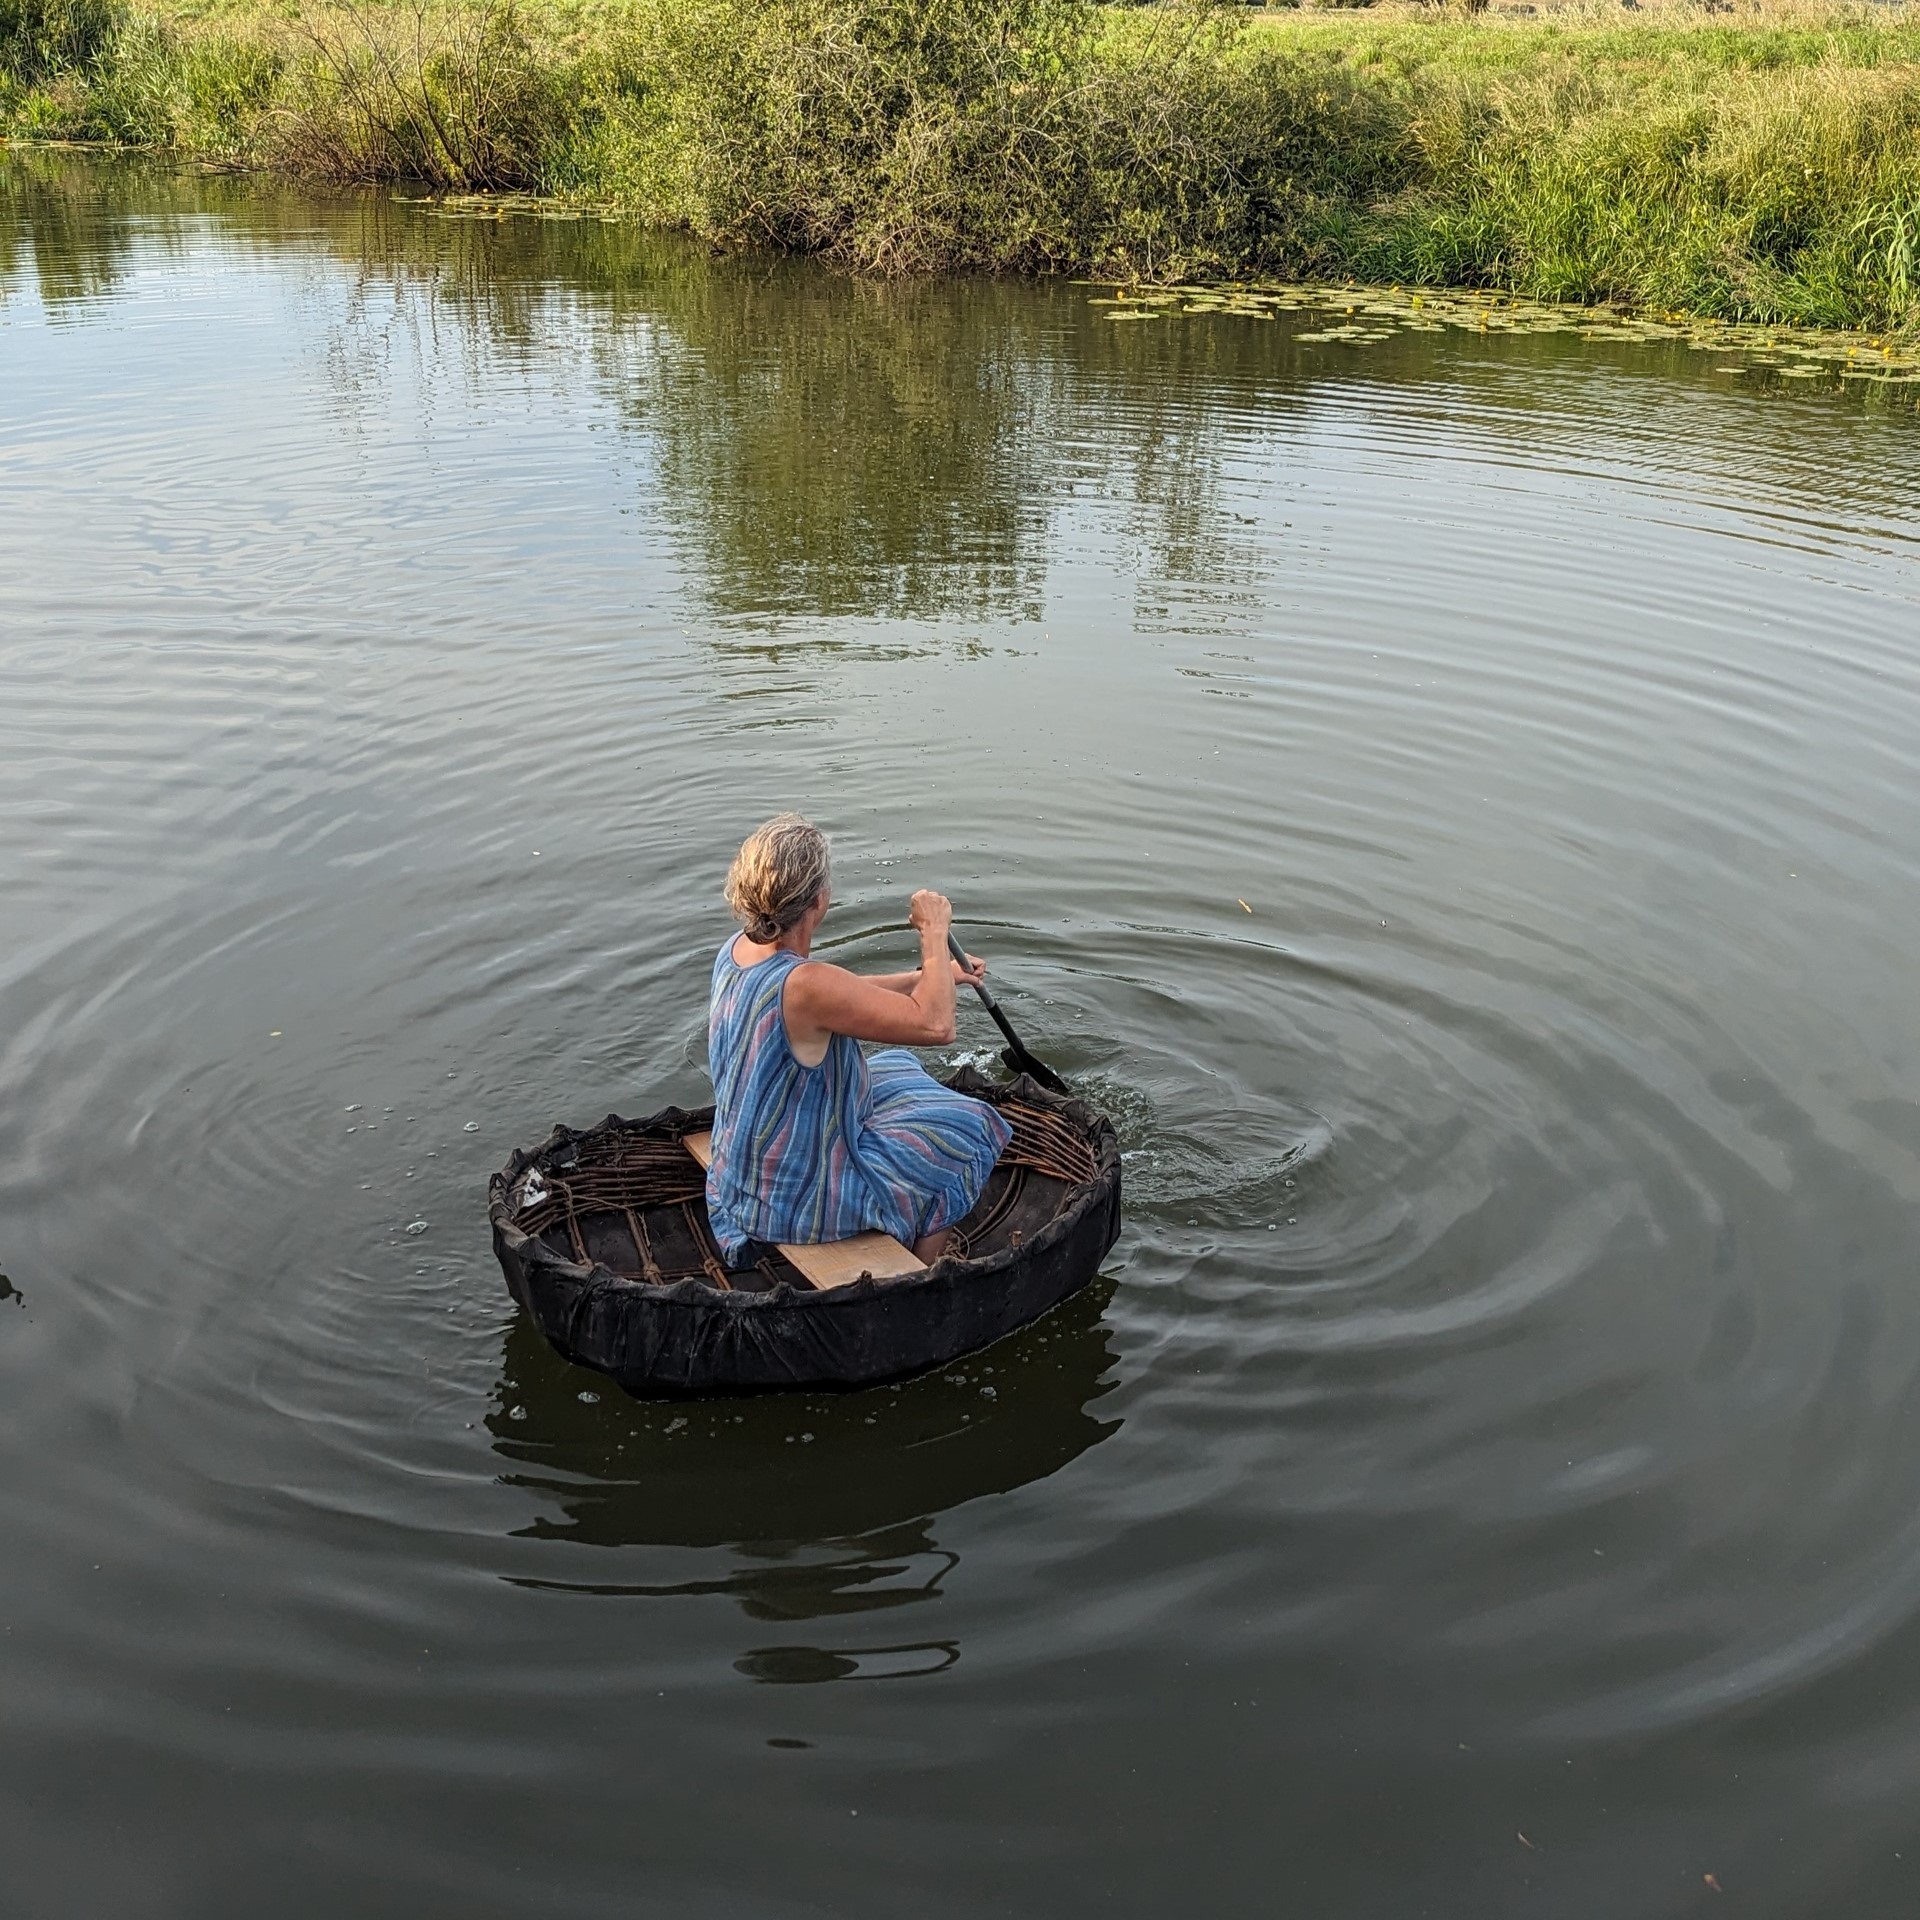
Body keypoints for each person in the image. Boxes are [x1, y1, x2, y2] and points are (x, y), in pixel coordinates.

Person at [705, 813, 1013, 1267]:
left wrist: (928, 978)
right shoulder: (806, 985)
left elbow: (841, 995)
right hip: (792, 1200)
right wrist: (934, 934)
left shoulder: (738, 949)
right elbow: (937, 1027)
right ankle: (919, 1272)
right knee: (972, 1128)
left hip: (741, 1175)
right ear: (819, 900)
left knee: (901, 1064)